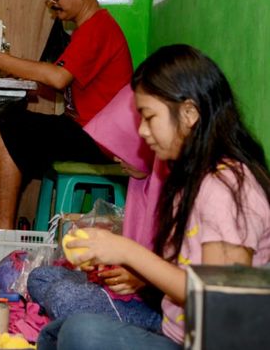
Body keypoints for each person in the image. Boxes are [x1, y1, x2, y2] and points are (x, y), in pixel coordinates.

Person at [37, 44, 270, 350]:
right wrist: (135, 270)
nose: (143, 133)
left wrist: (126, 252)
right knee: (60, 331)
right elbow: (185, 269)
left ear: (189, 113)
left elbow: (221, 304)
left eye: (149, 118)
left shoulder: (226, 188)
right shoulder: (190, 177)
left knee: (82, 333)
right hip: (172, 331)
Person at [0, 0, 133, 229]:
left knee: (12, 130)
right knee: (18, 127)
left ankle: (1, 225)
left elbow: (58, 78)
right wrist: (24, 79)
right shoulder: (87, 29)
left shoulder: (97, 29)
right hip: (88, 130)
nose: (52, 1)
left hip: (101, 139)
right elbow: (65, 84)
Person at [27, 86, 165, 332]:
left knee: (64, 296)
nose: (115, 159)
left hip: (157, 305)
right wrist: (104, 263)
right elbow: (133, 250)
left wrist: (142, 280)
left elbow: (180, 275)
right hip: (128, 290)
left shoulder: (171, 188)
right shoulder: (139, 182)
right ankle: (81, 316)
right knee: (40, 276)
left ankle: (80, 318)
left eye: (124, 150)